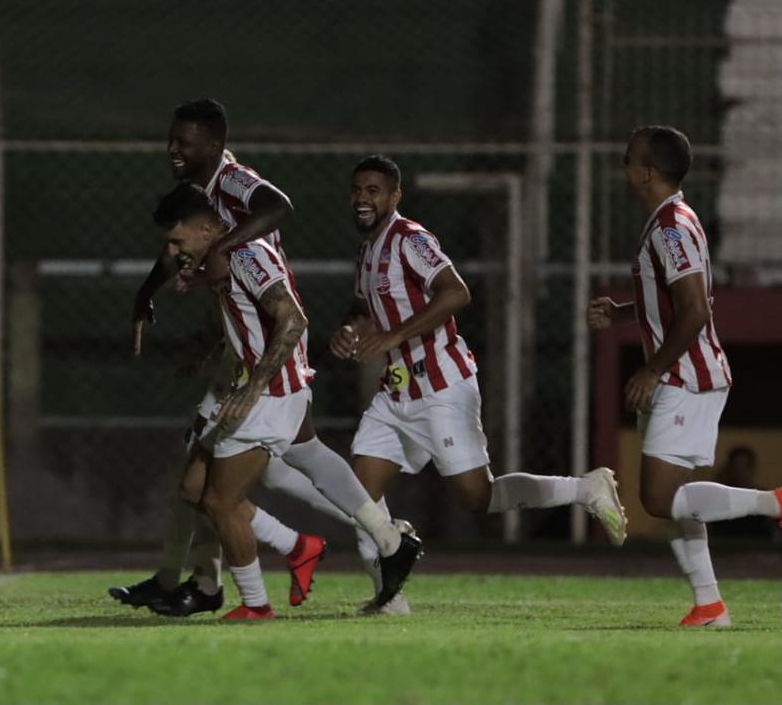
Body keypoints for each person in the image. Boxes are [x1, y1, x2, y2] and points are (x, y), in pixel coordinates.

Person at [112, 99, 419, 618]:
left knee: (208, 490)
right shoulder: (200, 208)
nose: (172, 149)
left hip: (264, 354)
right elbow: (186, 244)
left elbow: (279, 208)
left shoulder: (231, 185)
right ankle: (384, 541)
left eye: (183, 142)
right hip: (248, 340)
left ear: (211, 146)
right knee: (295, 460)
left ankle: (221, 586)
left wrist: (220, 252)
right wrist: (154, 288)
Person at [331, 155, 629, 611]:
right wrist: (351, 328)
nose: (362, 198)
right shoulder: (368, 250)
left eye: (374, 190)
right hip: (396, 392)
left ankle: (585, 489)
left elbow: (456, 291)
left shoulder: (410, 238)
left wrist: (393, 335)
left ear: (394, 196)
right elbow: (361, 305)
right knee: (358, 493)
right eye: (357, 189)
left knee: (477, 497)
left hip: (442, 386)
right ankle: (389, 596)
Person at [588, 126, 782, 626]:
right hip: (688, 374)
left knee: (659, 498)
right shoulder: (670, 221)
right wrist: (623, 312)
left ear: (648, 172)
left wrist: (652, 369)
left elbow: (695, 309)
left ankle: (774, 502)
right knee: (676, 500)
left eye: (629, 160)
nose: (625, 168)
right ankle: (709, 603)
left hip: (685, 375)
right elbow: (674, 303)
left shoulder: (671, 226)